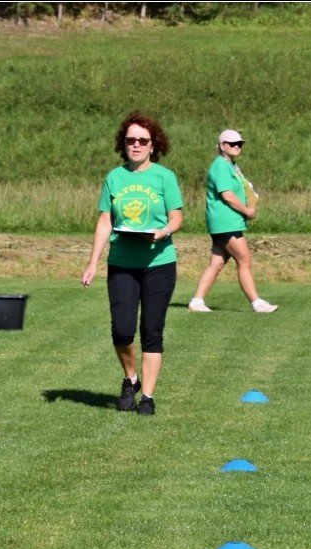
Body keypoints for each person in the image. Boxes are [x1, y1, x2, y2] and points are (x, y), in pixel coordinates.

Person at [82, 111, 184, 417]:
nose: (136, 145)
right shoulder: (114, 177)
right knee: (122, 331)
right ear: (123, 144)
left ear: (154, 145)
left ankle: (148, 397)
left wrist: (163, 231)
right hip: (122, 263)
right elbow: (104, 221)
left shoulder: (165, 177)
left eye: (143, 140)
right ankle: (131, 378)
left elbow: (176, 217)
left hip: (159, 262)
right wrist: (93, 263)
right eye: (130, 140)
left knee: (152, 331)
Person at [187, 129, 278, 314]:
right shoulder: (220, 165)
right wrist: (247, 211)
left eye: (239, 144)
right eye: (232, 143)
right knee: (244, 259)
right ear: (222, 146)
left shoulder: (231, 165)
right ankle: (256, 303)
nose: (237, 146)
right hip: (225, 222)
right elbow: (227, 195)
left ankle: (197, 301)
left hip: (228, 221)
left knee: (217, 263)